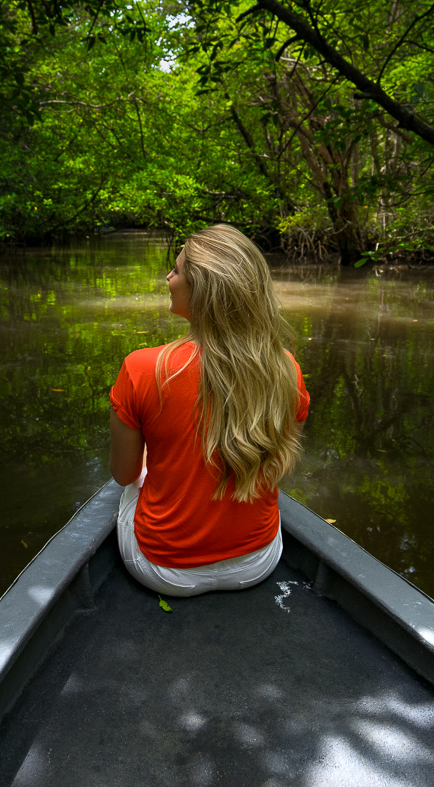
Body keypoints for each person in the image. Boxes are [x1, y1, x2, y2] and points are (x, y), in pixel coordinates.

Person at [108, 225, 310, 597]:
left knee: (135, 481)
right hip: (257, 562)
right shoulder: (286, 369)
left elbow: (124, 475)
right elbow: (275, 455)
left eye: (177, 270)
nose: (168, 278)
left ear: (203, 292)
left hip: (164, 571)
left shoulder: (141, 368)